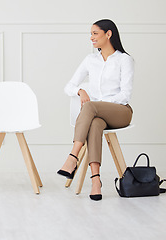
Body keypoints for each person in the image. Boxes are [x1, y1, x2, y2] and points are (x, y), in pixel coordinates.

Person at [57, 19, 134, 201]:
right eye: (90, 34)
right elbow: (68, 86)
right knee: (95, 124)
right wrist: (80, 90)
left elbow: (125, 95)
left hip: (121, 111)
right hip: (98, 115)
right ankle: (96, 181)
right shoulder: (90, 60)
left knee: (91, 106)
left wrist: (99, 103)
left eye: (95, 33)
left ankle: (72, 156)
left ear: (108, 34)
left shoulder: (124, 60)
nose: (91, 37)